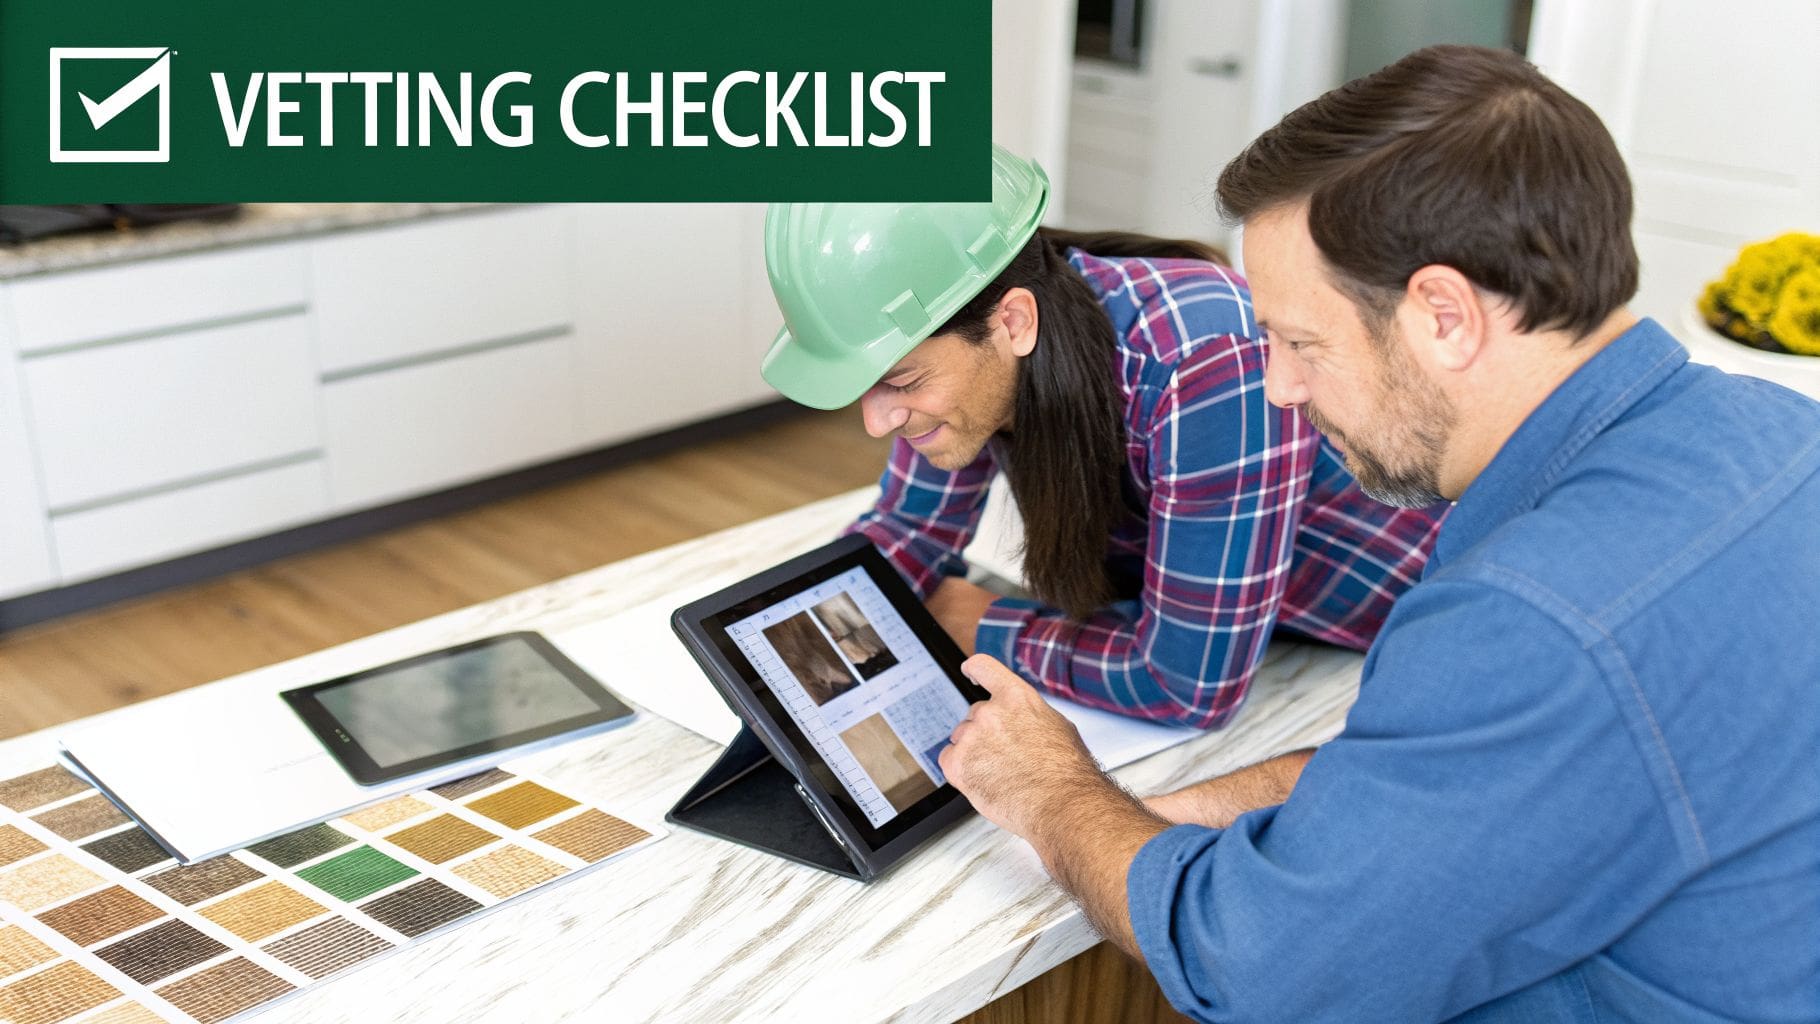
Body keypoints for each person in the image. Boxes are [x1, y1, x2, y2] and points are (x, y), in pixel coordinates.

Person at [938, 46, 1820, 1022]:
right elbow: (1506, 770)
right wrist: (1209, 811)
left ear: (1441, 316)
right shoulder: (1786, 436)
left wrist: (1054, 792)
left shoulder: (1525, 621)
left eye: (1300, 341)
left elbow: (1250, 968)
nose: (1277, 384)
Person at [761, 145, 1444, 727]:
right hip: (1252, 629)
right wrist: (778, 643)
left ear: (1013, 323)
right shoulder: (994, 337)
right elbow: (909, 528)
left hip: (1399, 650)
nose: (877, 422)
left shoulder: (1207, 362)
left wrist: (979, 622)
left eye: (902, 382)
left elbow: (1188, 687)